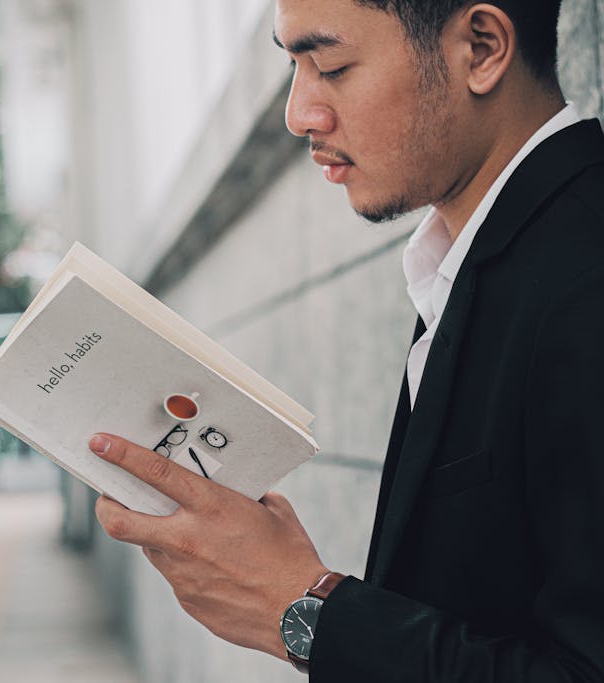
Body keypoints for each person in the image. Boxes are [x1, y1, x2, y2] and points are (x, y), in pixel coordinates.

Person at [90, 0, 604, 680]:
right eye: (292, 66)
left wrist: (304, 609)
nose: (298, 113)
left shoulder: (584, 277)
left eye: (330, 65)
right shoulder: (467, 263)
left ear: (481, 48)